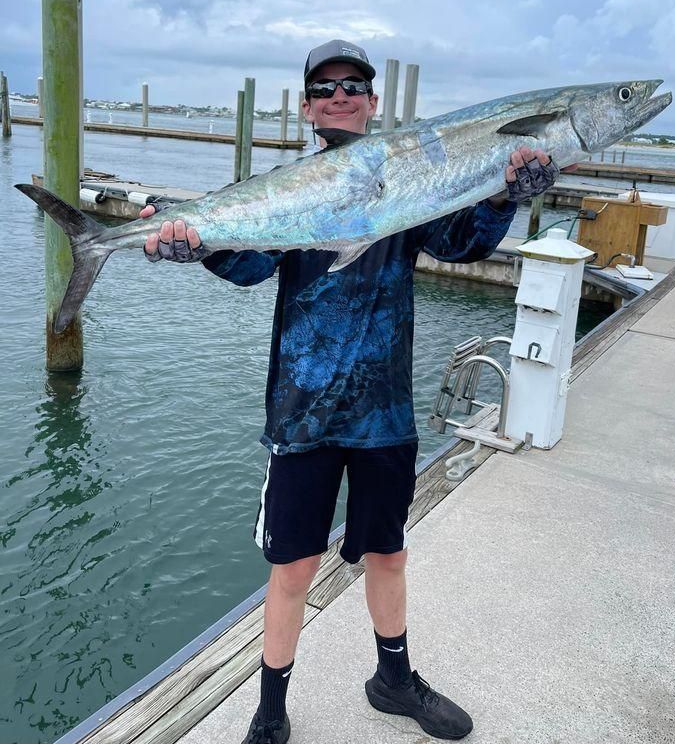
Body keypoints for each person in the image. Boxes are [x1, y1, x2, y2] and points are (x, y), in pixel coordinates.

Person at [141, 40, 559, 743]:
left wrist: (502, 198)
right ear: (308, 108)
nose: (340, 95)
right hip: (301, 414)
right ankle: (270, 710)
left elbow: (463, 243)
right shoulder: (289, 190)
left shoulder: (410, 179)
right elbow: (246, 266)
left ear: (373, 101)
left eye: (354, 84)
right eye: (325, 87)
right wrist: (200, 244)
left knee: (388, 553)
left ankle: (392, 681)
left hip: (384, 410)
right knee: (294, 565)